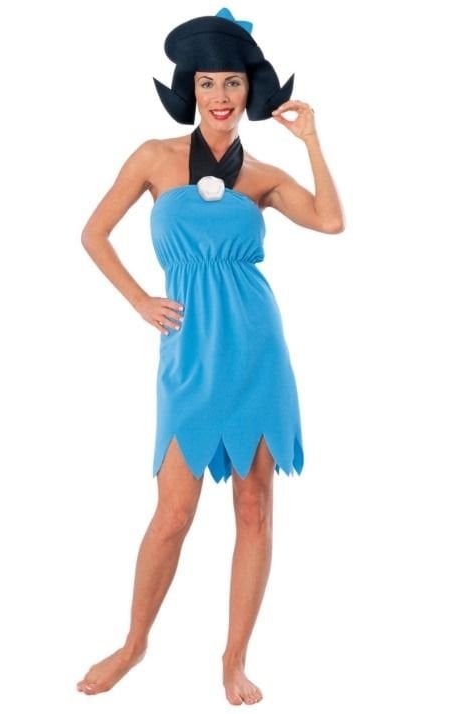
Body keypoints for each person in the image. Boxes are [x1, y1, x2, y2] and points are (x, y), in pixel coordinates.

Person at [76, 7, 344, 706]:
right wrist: (140, 299)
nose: (220, 96)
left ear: (249, 90)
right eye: (206, 83)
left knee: (254, 507)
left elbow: (330, 220)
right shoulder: (154, 157)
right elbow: (94, 233)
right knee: (173, 511)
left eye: (231, 82)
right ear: (190, 90)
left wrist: (312, 140)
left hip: (257, 350)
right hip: (189, 351)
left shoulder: (263, 175)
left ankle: (233, 659)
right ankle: (134, 644)